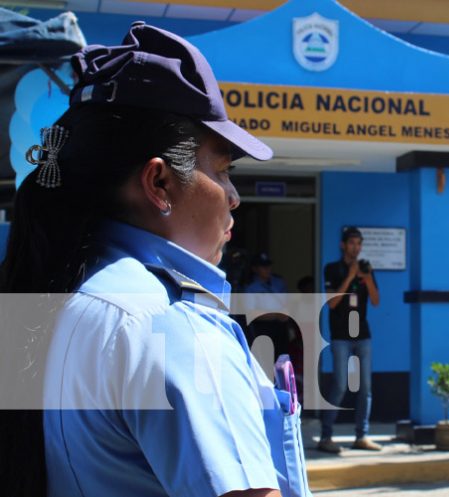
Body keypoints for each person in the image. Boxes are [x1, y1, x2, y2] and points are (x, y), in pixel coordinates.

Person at [0, 22, 311, 497]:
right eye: (223, 170)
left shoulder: (59, 299)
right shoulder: (176, 326)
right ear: (159, 184)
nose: (233, 198)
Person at [318, 226, 381, 454]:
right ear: (343, 245)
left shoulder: (366, 269)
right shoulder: (332, 269)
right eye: (351, 243)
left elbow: (375, 301)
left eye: (358, 244)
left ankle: (361, 436)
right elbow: (332, 303)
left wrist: (366, 277)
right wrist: (351, 276)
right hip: (341, 337)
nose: (355, 247)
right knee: (340, 385)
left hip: (363, 336)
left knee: (365, 388)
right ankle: (326, 436)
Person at [244, 252, 290, 359]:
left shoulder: (279, 283)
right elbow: (251, 313)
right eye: (263, 266)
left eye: (268, 266)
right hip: (262, 328)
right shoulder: (250, 288)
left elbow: (287, 303)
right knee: (265, 361)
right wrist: (275, 315)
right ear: (255, 269)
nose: (267, 269)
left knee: (282, 360)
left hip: (281, 328)